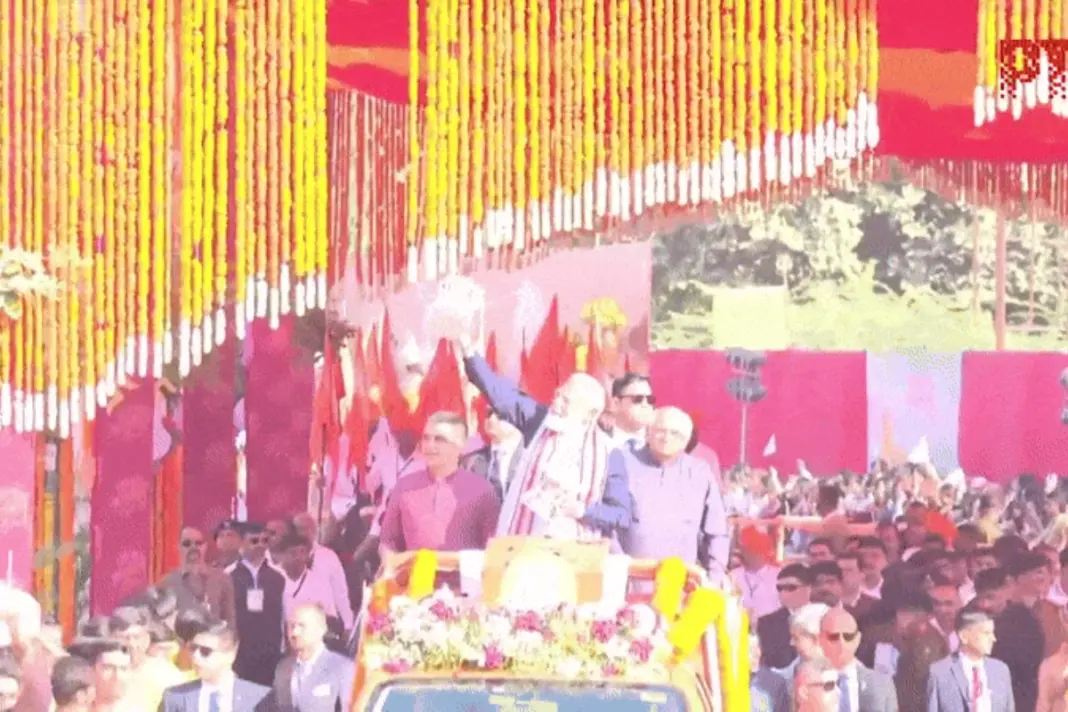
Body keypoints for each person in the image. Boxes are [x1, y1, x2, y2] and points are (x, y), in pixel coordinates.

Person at [459, 338, 632, 541]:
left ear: (590, 413)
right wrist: (468, 349)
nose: (556, 403)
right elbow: (499, 393)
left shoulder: (609, 453)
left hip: (574, 555)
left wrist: (582, 510)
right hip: (521, 545)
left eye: (566, 401)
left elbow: (621, 516)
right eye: (558, 395)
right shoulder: (540, 421)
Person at [618, 407, 730, 582]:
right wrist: (617, 570)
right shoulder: (624, 464)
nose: (666, 438)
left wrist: (714, 578)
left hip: (681, 584)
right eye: (661, 430)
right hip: (629, 581)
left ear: (686, 440)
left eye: (675, 433)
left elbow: (717, 531)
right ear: (649, 432)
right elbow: (608, 527)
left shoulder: (699, 473)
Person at [378, 411, 501, 556]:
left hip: (463, 576)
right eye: (426, 438)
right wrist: (390, 568)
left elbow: (493, 550)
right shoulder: (404, 487)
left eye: (440, 440)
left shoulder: (482, 491)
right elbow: (388, 542)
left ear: (460, 446)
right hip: (416, 577)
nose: (430, 445)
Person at [158, 619, 273, 711]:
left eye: (205, 651)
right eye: (193, 648)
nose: (196, 656)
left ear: (230, 655)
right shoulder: (174, 698)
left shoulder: (260, 698)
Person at [226, 522, 287, 686]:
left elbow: (285, 615)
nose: (260, 545)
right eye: (254, 541)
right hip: (240, 654)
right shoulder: (228, 576)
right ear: (241, 544)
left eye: (264, 541)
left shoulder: (278, 576)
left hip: (270, 654)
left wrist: (283, 649)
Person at [926, 609, 1014, 712]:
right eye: (986, 633)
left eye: (992, 633)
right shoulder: (940, 672)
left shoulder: (1000, 671)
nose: (993, 638)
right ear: (964, 636)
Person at [272, 604, 354, 712]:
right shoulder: (283, 669)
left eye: (302, 626)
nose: (295, 632)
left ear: (321, 629)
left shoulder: (343, 668)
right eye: (291, 626)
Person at [818, 608, 897, 712]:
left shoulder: (882, 683)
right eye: (833, 637)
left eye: (848, 636)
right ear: (820, 639)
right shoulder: (804, 682)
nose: (841, 643)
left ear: (857, 639)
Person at [158, 526, 237, 628]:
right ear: (178, 547)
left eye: (198, 543)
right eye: (187, 544)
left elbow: (231, 622)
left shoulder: (223, 579)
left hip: (215, 641)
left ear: (205, 546)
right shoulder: (167, 583)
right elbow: (161, 624)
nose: (193, 547)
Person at [108, 606, 184, 710]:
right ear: (111, 639)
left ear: (147, 639)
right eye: (124, 638)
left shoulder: (166, 674)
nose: (131, 644)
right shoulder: (103, 673)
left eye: (136, 637)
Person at [292, 513, 354, 636]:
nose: (302, 533)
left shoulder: (328, 556)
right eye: (298, 529)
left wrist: (348, 624)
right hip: (298, 623)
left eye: (306, 529)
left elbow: (340, 593)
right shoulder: (286, 558)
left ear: (314, 531)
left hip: (326, 624)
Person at [758, 564, 813, 669]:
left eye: (791, 587)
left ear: (809, 588)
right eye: (780, 588)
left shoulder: (825, 615)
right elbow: (776, 661)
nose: (783, 592)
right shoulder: (768, 623)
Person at [461, 409, 524, 501]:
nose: (491, 419)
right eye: (488, 413)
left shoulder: (538, 457)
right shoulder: (471, 462)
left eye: (499, 414)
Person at [775, 603, 831, 681]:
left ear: (816, 639)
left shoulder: (846, 676)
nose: (791, 643)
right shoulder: (799, 665)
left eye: (796, 638)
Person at [605, 374, 656, 448]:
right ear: (616, 403)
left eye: (650, 399)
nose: (645, 405)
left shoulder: (661, 439)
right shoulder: (599, 437)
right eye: (638, 399)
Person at [748, 634, 790, 712]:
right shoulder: (728, 684)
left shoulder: (776, 683)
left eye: (756, 648)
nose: (756, 653)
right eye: (749, 650)